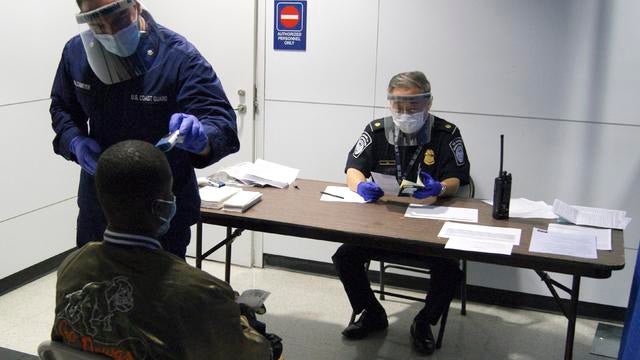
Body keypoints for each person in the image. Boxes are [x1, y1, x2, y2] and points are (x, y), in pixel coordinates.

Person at [51, 140, 281, 359]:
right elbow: (253, 354)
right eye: (170, 193)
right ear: (162, 207)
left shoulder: (72, 266)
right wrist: (242, 319)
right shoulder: (201, 291)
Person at [50, 0, 239, 258]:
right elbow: (62, 108)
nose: (110, 31)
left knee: (161, 295)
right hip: (100, 207)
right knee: (93, 289)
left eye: (118, 19)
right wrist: (74, 142)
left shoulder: (177, 56)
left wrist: (203, 138)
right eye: (97, 24)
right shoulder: (77, 53)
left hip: (161, 213)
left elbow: (220, 120)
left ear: (136, 7)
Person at [332, 71, 470, 355]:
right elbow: (353, 168)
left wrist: (441, 187)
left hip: (428, 225)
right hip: (385, 224)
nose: (405, 112)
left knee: (448, 269)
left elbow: (458, 179)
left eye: (412, 105)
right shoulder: (377, 129)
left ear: (428, 103)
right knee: (345, 256)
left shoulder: (447, 133)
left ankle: (423, 322)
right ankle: (372, 313)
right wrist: (359, 186)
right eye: (398, 106)